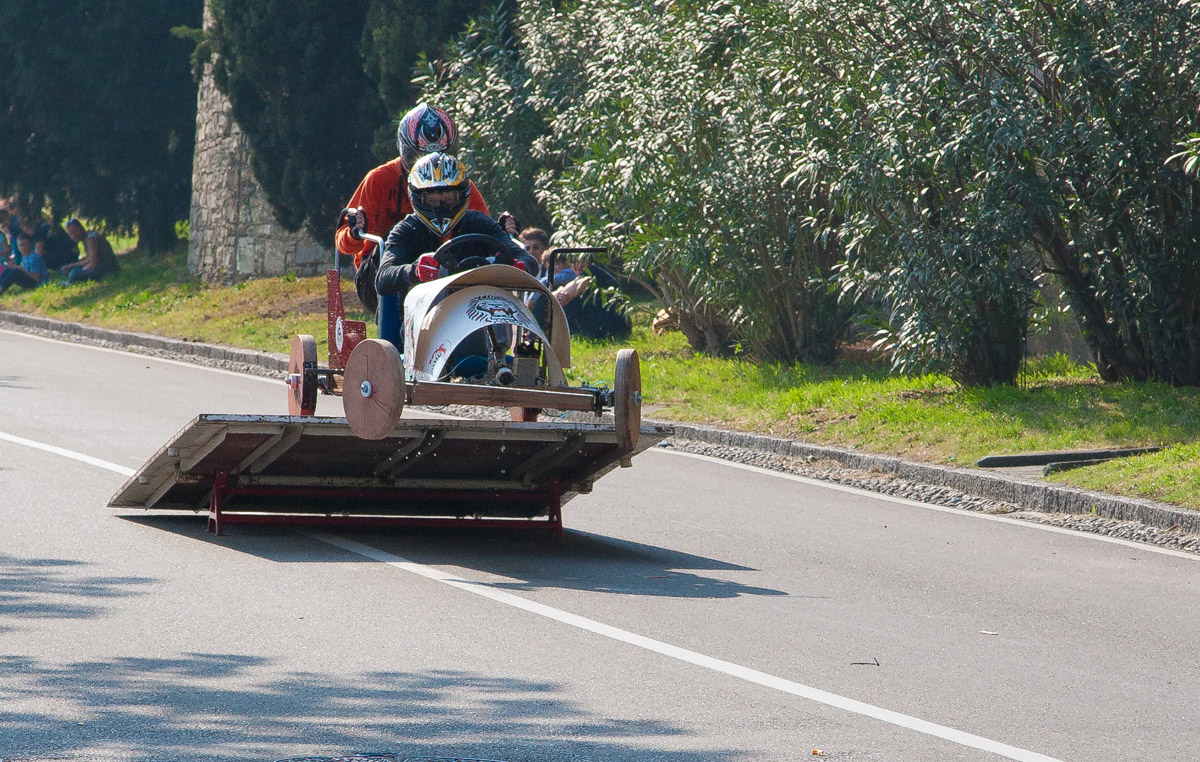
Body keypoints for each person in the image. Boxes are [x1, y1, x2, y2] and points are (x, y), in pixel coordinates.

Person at [336, 103, 495, 321]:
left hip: (447, 267)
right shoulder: (379, 179)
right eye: (419, 158)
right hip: (383, 272)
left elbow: (485, 232)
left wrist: (504, 238)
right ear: (406, 151)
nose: (432, 168)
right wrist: (354, 233)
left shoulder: (462, 185)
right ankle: (402, 329)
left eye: (440, 156)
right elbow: (343, 242)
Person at [373, 152, 529, 354]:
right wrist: (413, 271)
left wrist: (517, 267)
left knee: (495, 288)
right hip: (422, 334)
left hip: (480, 320)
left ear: (462, 195)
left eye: (447, 198)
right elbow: (383, 279)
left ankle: (496, 361)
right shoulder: (406, 230)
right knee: (440, 281)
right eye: (433, 199)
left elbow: (522, 257)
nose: (440, 205)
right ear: (418, 198)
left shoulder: (479, 222)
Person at [61, 218, 120, 283]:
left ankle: (70, 283)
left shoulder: (91, 239)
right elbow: (90, 258)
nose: (74, 235)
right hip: (100, 269)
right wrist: (72, 265)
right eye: (71, 234)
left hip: (106, 271)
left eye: (75, 231)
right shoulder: (86, 239)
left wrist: (81, 271)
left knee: (74, 273)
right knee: (69, 269)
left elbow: (94, 263)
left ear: (81, 228)